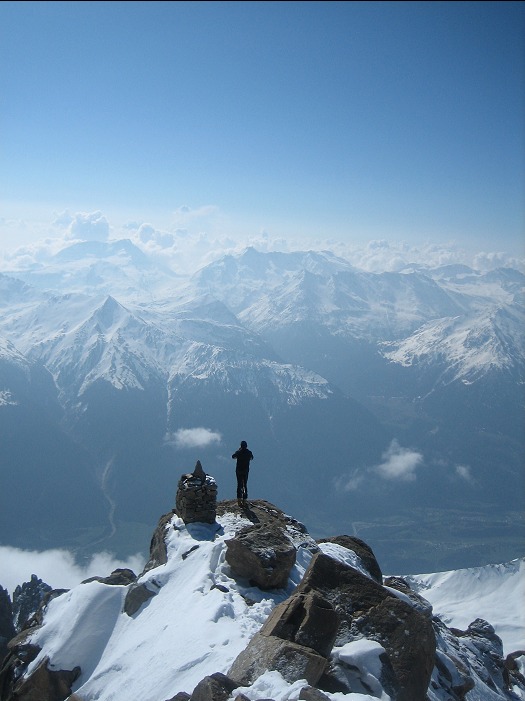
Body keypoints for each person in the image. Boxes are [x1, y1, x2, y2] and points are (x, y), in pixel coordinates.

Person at [232, 440, 253, 506]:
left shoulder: (239, 452)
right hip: (245, 470)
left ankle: (239, 500)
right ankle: (244, 499)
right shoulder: (249, 452)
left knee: (239, 484)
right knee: (245, 484)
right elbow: (252, 458)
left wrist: (238, 451)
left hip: (239, 470)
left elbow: (233, 456)